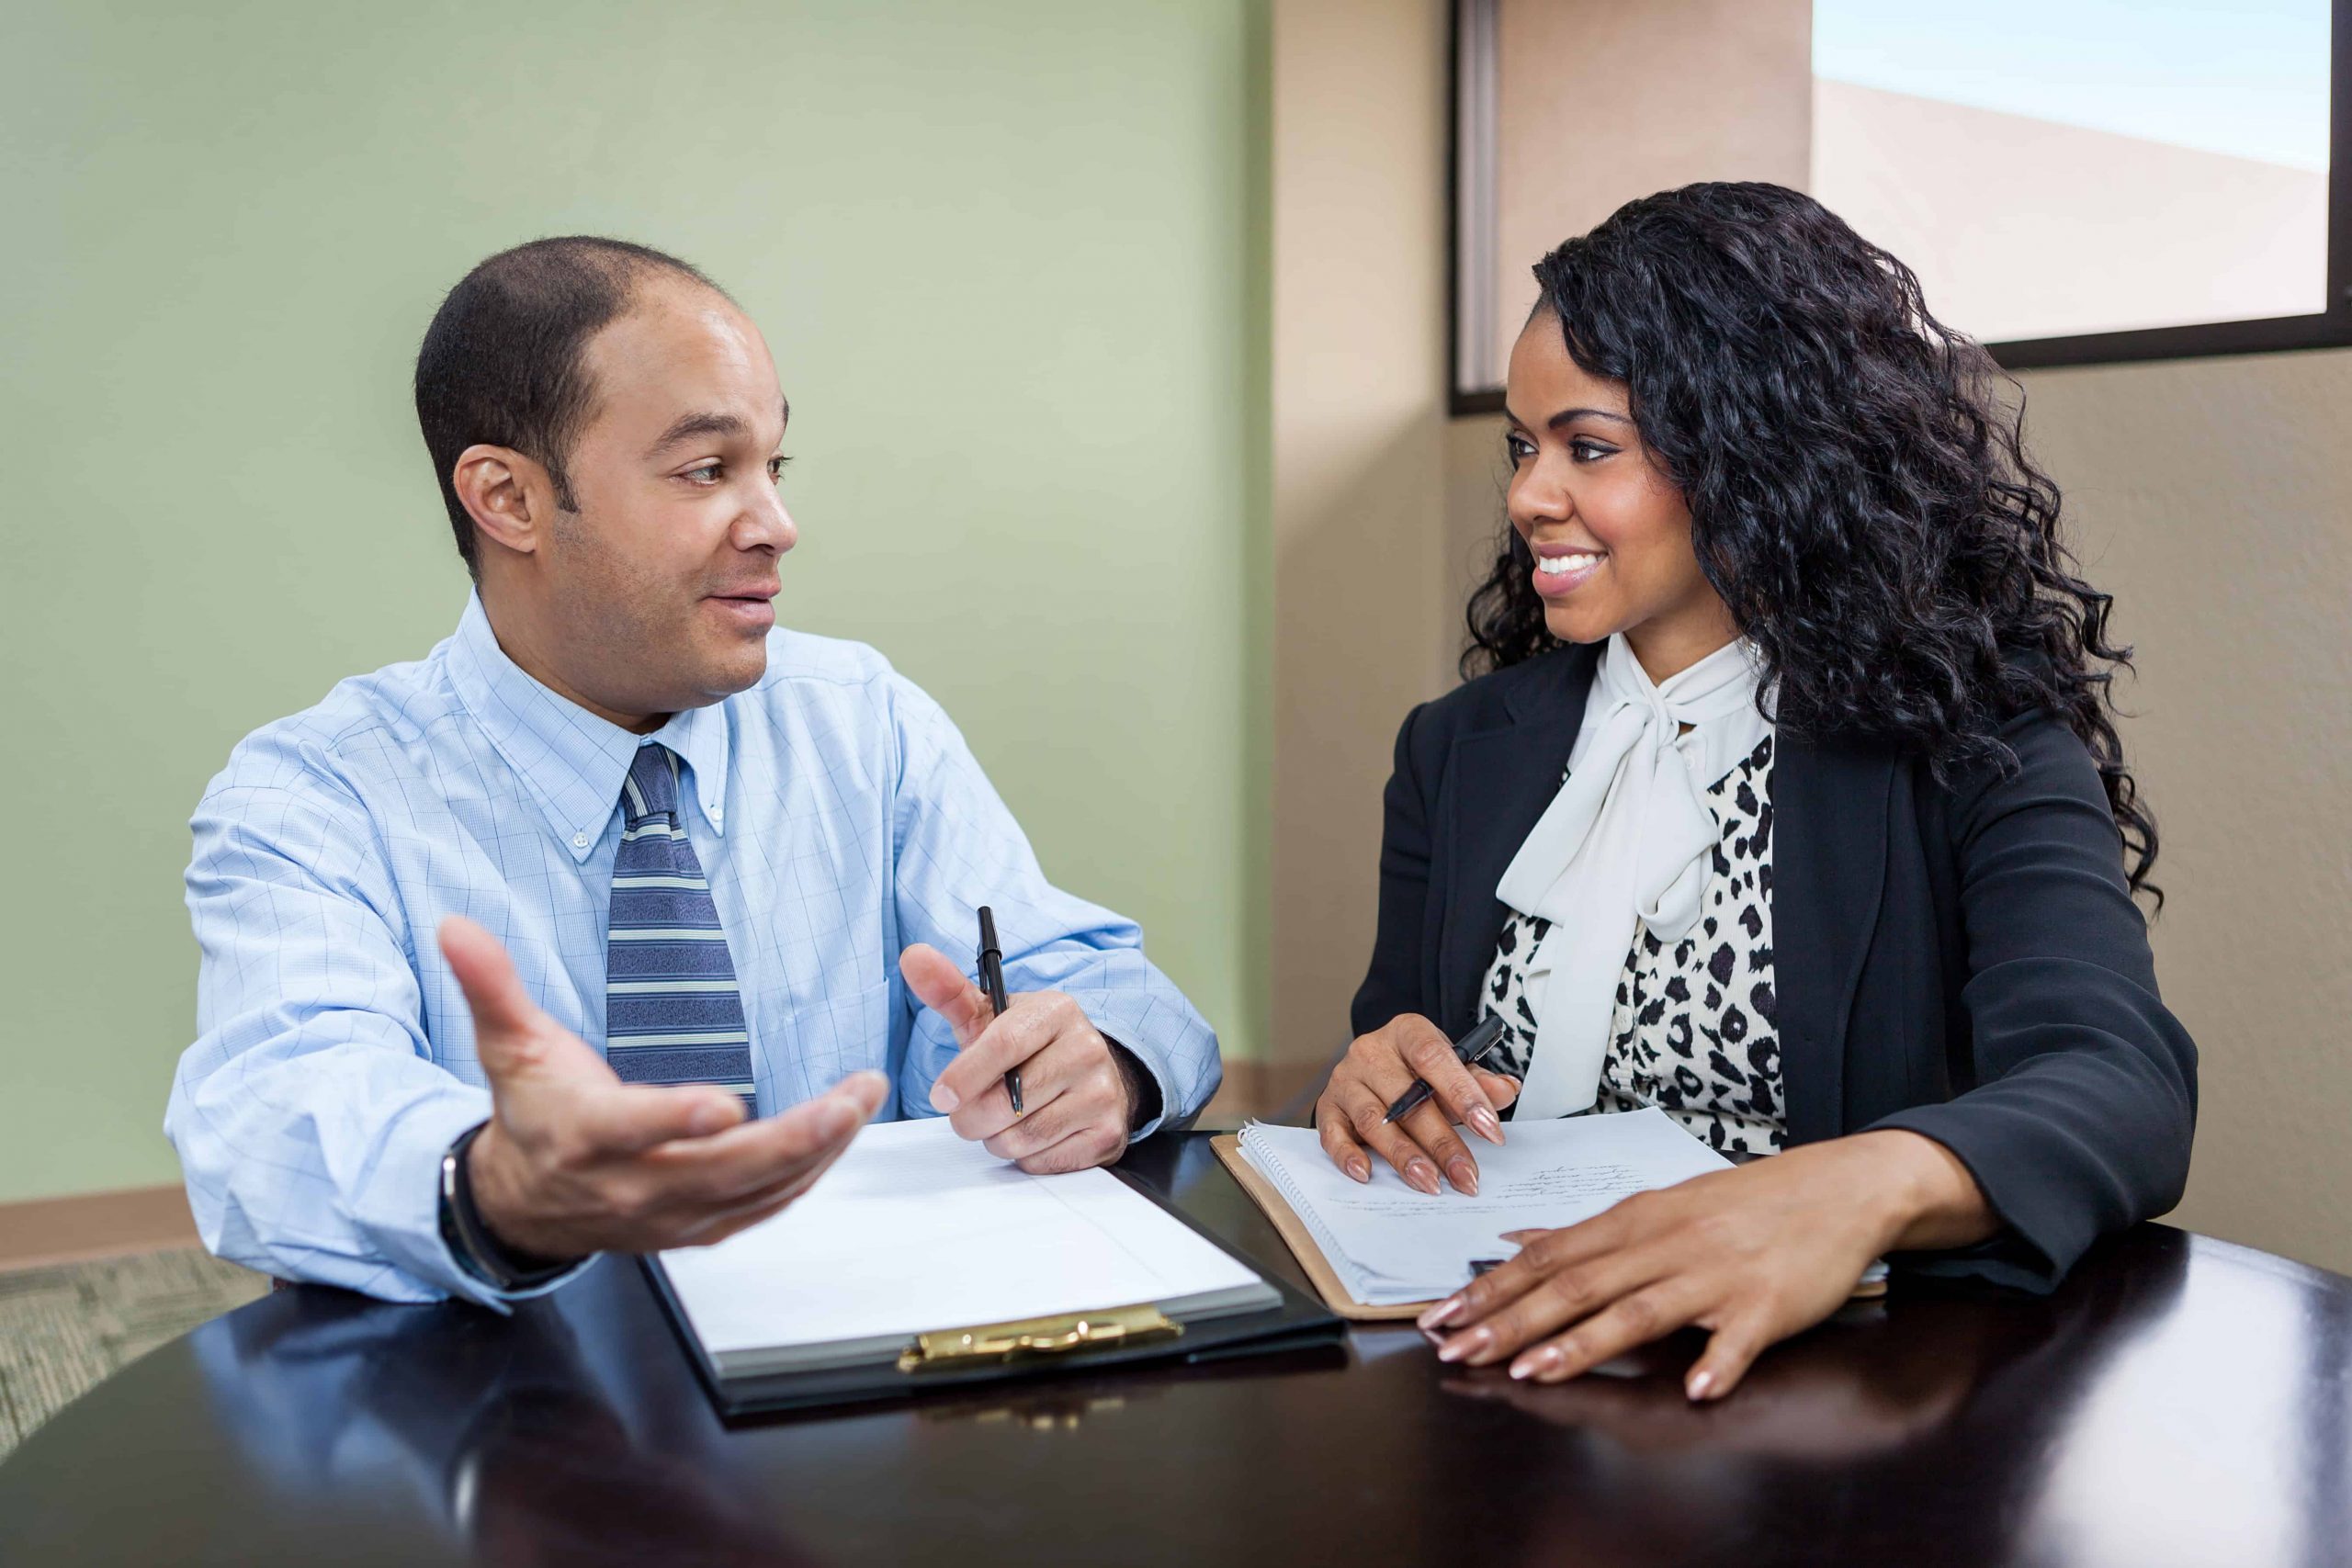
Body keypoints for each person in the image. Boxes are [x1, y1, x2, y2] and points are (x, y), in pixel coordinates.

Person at [166, 238, 1219, 1305]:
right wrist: (497, 1184)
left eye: (776, 465)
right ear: (508, 499)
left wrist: (1105, 1064)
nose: (777, 525)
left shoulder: (865, 722)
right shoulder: (313, 797)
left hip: (865, 1366)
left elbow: (1102, 979)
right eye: (707, 470)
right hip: (514, 1390)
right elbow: (278, 1112)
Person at [1315, 183, 2195, 1399]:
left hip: (1830, 1397)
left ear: (1750, 447)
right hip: (1491, 1362)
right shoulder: (1458, 749)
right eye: (1523, 446)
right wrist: (1383, 1077)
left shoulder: (1967, 741)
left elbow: (2120, 1083)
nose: (1527, 495)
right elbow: (1405, 1044)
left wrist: (1851, 1186)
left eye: (1589, 446)